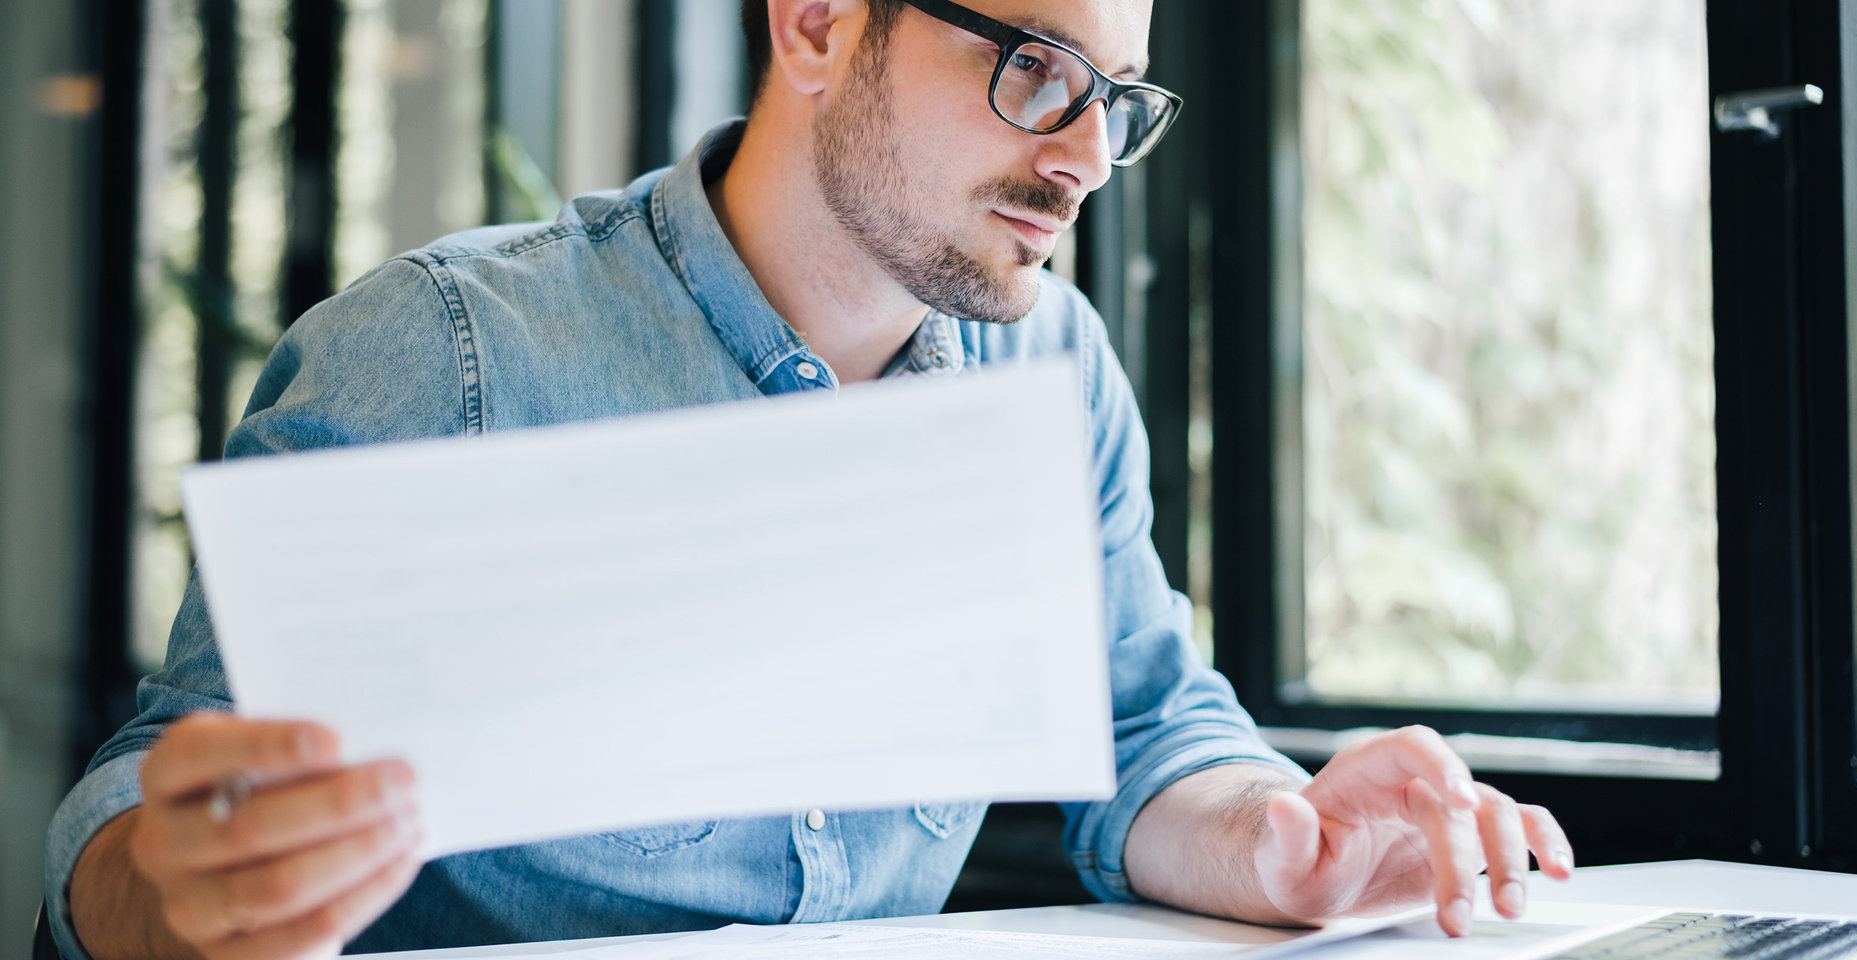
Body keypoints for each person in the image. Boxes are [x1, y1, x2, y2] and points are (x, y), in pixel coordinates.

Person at [44, 1, 1575, 957]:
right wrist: (160, 902)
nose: (1089, 156)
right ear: (820, 25)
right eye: (1041, 72)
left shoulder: (1054, 370)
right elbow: (160, 804)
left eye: (1120, 97)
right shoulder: (447, 352)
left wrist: (1289, 842)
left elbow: (1145, 726)